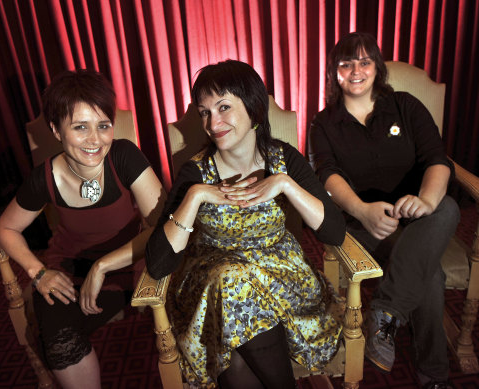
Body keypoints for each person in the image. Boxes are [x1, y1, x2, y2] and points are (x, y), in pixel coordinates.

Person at [145, 60, 346, 389]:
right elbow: (157, 263)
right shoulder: (195, 173)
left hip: (282, 278)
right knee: (232, 282)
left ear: (253, 109)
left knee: (235, 350)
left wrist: (285, 184)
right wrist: (194, 196)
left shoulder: (284, 159)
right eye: (205, 112)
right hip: (213, 283)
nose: (213, 122)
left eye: (224, 107)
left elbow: (334, 232)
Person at [0, 69, 165, 389]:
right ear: (56, 130)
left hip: (126, 266)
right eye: (80, 127)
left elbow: (162, 226)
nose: (95, 140)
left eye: (103, 126)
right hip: (68, 271)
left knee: (55, 336)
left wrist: (103, 266)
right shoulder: (42, 177)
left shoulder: (124, 155)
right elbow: (6, 228)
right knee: (58, 337)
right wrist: (38, 272)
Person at [309, 32, 460, 389]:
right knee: (431, 278)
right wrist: (362, 210)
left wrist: (425, 200)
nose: (356, 70)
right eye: (346, 63)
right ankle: (434, 377)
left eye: (365, 61)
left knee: (447, 206)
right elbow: (326, 176)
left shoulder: (406, 106)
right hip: (366, 226)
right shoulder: (324, 124)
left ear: (378, 67)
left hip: (417, 217)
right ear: (334, 73)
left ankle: (386, 312)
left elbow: (437, 158)